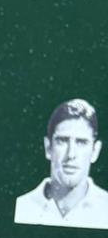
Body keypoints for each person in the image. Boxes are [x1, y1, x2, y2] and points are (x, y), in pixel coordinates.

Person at [14, 97, 108, 229]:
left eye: (81, 142)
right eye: (62, 141)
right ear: (48, 148)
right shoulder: (22, 208)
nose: (71, 154)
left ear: (95, 151)